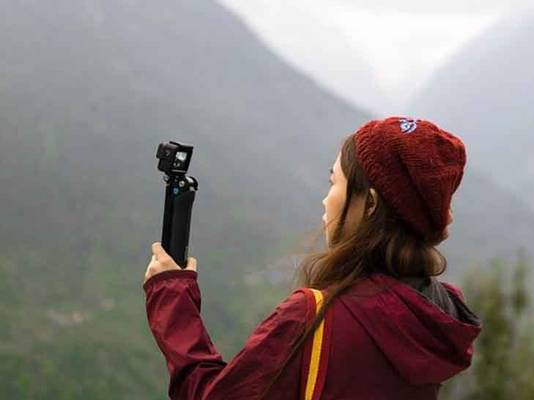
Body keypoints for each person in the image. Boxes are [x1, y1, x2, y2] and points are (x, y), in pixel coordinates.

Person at [143, 116, 482, 399]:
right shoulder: (438, 316)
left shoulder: (313, 317)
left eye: (334, 182)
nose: (326, 199)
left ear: (370, 203)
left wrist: (172, 298)